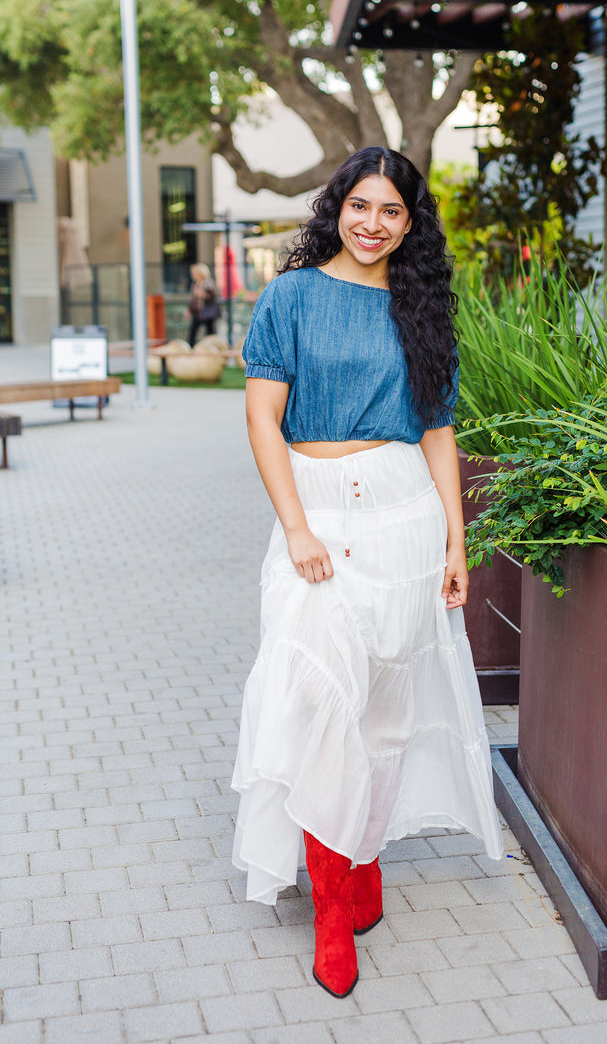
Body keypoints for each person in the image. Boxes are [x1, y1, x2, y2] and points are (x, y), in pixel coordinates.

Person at [231, 146, 503, 998]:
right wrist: (297, 526)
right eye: (360, 205)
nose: (373, 224)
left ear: (411, 223)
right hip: (318, 519)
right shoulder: (294, 296)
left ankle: (366, 863)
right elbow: (263, 419)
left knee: (386, 704)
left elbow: (437, 432)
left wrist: (458, 544)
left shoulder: (422, 309)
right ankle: (327, 907)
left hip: (403, 518)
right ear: (336, 206)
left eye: (392, 211)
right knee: (316, 699)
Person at [186, 262, 220, 346]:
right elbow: (193, 299)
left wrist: (203, 294)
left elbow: (214, 296)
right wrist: (189, 310)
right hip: (198, 312)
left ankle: (213, 347)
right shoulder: (195, 284)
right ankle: (191, 347)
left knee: (210, 332)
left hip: (207, 312)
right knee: (193, 332)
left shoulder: (208, 283)